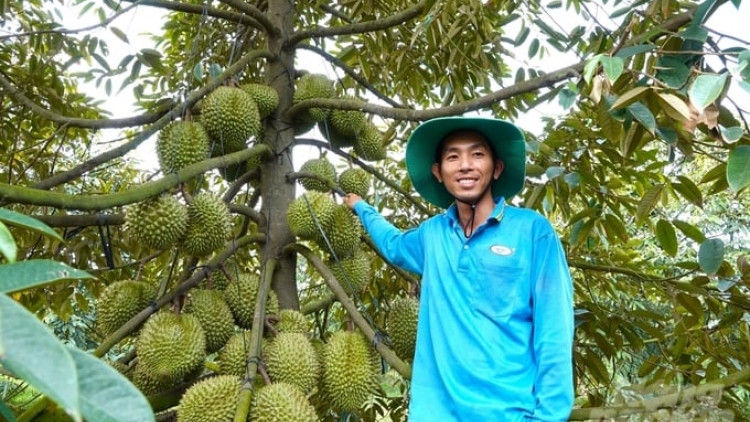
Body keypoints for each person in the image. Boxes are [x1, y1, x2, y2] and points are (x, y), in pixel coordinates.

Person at [343, 116, 575, 421]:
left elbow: (554, 328)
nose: (465, 165)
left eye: (477, 154)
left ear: (497, 168)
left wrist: (549, 416)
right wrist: (362, 207)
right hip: (434, 414)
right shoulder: (433, 234)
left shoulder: (533, 232)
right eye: (453, 156)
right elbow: (393, 245)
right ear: (439, 172)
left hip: (508, 413)